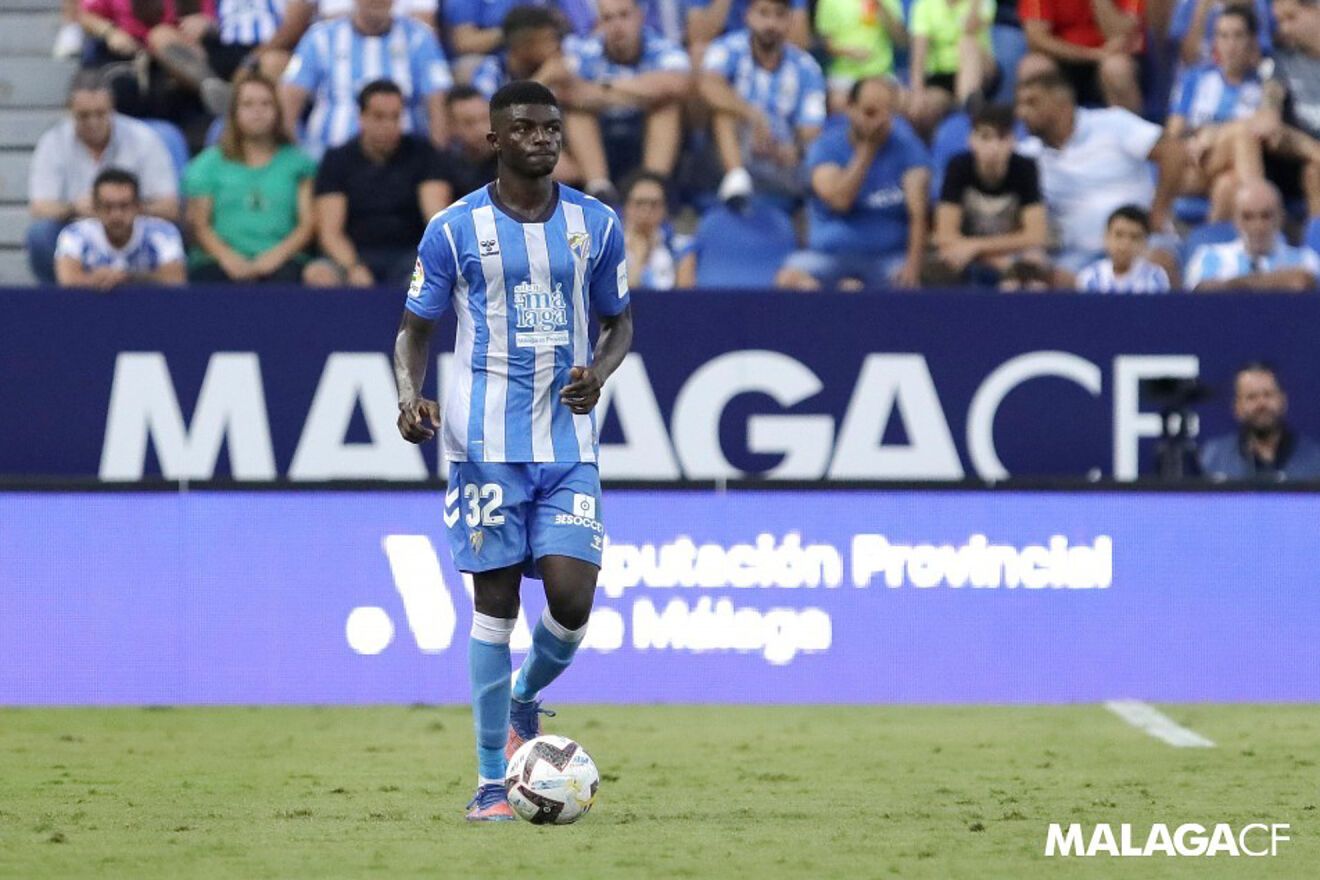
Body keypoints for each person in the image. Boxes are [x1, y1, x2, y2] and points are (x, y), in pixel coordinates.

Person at [392, 80, 633, 823]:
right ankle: (492, 783)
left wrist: (600, 368)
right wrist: (410, 394)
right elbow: (414, 329)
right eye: (524, 128)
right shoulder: (454, 229)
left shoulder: (596, 224)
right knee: (494, 604)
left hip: (566, 442)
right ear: (494, 140)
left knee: (571, 598)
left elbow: (619, 322)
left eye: (552, 128)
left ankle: (526, 694)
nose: (542, 138)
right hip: (482, 444)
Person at [1014, 61, 1181, 278]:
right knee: (1046, 279)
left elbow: (1174, 152)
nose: (1021, 112)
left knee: (1158, 266)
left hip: (1139, 240)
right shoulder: (1027, 155)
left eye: (1032, 103)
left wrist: (1159, 210)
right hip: (1078, 254)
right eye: (1020, 104)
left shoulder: (1112, 123)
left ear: (1061, 102)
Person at [775, 76, 930, 290]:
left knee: (904, 287)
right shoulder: (826, 147)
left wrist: (912, 267)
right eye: (870, 113)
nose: (880, 121)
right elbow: (840, 200)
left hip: (887, 258)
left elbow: (918, 212)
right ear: (850, 108)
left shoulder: (909, 148)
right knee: (789, 280)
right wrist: (867, 151)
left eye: (888, 113)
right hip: (829, 256)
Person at [26, 71, 180, 285]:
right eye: (84, 115)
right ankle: (57, 301)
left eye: (100, 114)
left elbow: (170, 207)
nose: (93, 122)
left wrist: (122, 209)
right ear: (69, 111)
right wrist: (73, 209)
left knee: (169, 233)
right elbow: (39, 208)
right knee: (40, 234)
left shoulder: (144, 139)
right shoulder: (52, 143)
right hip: (77, 230)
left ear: (113, 108)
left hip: (134, 229)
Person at [304, 80, 453, 288]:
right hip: (354, 253)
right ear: (362, 117)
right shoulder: (337, 159)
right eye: (379, 117)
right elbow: (330, 233)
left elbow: (436, 219)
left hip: (409, 254)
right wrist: (353, 267)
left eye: (395, 117)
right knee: (318, 274)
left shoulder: (423, 154)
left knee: (432, 274)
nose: (388, 125)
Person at [470, 6, 617, 201]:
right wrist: (542, 79)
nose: (556, 45)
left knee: (578, 112)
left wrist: (572, 85)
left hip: (569, 144)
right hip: (511, 151)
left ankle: (599, 188)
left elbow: (598, 99)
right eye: (547, 39)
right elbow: (491, 123)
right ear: (523, 46)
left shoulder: (564, 64)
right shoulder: (491, 71)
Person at [184, 71, 317, 282]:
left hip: (284, 262)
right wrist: (228, 258)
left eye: (266, 104)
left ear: (278, 111)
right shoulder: (207, 164)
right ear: (234, 112)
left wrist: (275, 257)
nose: (258, 112)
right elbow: (200, 225)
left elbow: (307, 224)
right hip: (219, 262)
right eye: (248, 104)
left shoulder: (299, 164)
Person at [280, 0, 452, 158]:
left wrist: (434, 161)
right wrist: (300, 156)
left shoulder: (419, 37)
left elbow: (439, 102)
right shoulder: (320, 37)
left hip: (404, 162)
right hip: (327, 157)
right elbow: (289, 99)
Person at [700, 0, 827, 206]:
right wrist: (753, 115)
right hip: (733, 147)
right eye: (763, 14)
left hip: (780, 155)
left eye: (779, 15)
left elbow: (812, 126)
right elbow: (708, 86)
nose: (771, 24)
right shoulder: (727, 48)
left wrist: (794, 148)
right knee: (723, 111)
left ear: (790, 20)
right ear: (748, 16)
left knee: (817, 153)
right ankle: (736, 179)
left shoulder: (806, 67)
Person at [566, 0, 691, 181]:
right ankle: (600, 189)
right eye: (608, 18)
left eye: (624, 15)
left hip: (644, 134)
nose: (617, 26)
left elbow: (677, 84)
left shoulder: (663, 47)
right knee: (577, 111)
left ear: (640, 17)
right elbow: (567, 91)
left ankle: (653, 186)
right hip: (603, 137)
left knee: (666, 106)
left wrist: (604, 87)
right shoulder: (583, 50)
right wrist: (640, 93)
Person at [1217, 0, 1320, 219]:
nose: (1284, 29)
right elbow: (1269, 109)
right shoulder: (1281, 60)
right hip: (1295, 164)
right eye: (1280, 21)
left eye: (1291, 18)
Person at [933, 101, 1047, 284]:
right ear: (971, 140)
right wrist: (993, 260)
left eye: (1001, 137)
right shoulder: (958, 167)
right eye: (985, 137)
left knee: (1034, 263)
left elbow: (1036, 235)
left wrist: (975, 246)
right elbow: (945, 235)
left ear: (1013, 141)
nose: (993, 147)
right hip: (966, 253)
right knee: (942, 264)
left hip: (1007, 251)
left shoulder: (1025, 168)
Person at [1164, 7, 1264, 210]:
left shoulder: (1264, 85)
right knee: (1242, 134)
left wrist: (1216, 133)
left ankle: (1210, 238)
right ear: (1215, 41)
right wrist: (1198, 137)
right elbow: (1172, 136)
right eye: (1223, 36)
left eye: (1238, 36)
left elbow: (1267, 129)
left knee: (1227, 184)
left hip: (1235, 168)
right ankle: (1262, 209)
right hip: (1192, 165)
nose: (1230, 45)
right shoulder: (1194, 78)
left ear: (1252, 41)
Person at [78, 0, 234, 117]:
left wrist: (204, 23)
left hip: (186, 51)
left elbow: (215, 19)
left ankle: (215, 91)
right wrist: (110, 32)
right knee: (159, 35)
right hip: (134, 57)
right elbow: (86, 16)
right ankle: (211, 87)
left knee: (161, 36)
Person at [53, 169, 186, 289]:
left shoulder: (163, 233)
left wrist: (128, 277)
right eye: (107, 207)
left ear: (138, 207)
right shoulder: (75, 235)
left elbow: (176, 279)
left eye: (124, 206)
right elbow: (67, 280)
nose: (116, 215)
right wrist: (93, 280)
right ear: (95, 208)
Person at [1185, 179, 1320, 290]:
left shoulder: (1307, 260)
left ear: (1280, 218)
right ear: (1235, 220)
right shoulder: (1208, 257)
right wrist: (1276, 282)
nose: (1258, 226)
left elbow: (1302, 282)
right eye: (1248, 217)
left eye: (1266, 216)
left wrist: (1234, 286)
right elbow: (1201, 293)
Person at [1199, 362, 1320, 480]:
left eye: (1268, 395)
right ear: (1237, 407)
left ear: (1283, 401)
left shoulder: (1315, 460)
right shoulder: (1213, 459)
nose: (1261, 404)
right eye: (1251, 397)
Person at [1018, 0, 1144, 111]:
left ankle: (1130, 135)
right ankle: (1046, 136)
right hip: (1063, 59)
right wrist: (1089, 55)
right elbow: (1036, 38)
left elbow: (1125, 33)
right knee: (1033, 67)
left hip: (1111, 57)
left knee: (1116, 69)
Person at [908, 0, 997, 136]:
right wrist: (917, 91)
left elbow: (971, 27)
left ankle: (969, 108)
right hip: (943, 77)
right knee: (923, 108)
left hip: (980, 69)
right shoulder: (924, 5)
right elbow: (919, 53)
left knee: (966, 43)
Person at [813, 0, 907, 110]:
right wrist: (849, 52)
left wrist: (882, 8)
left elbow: (901, 41)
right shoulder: (829, 2)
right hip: (844, 75)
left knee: (903, 101)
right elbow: (825, 45)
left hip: (882, 74)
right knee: (838, 103)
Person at [1075, 205, 1171, 292]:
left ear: (1145, 243)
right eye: (1119, 235)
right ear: (1105, 237)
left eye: (1134, 237)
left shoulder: (1155, 277)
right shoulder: (1089, 277)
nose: (1125, 244)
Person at [622, 171, 686, 289]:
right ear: (627, 207)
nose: (646, 210)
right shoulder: (610, 248)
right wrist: (639, 258)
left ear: (664, 209)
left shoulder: (679, 247)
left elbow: (685, 299)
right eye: (639, 203)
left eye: (654, 204)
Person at [440, 86, 499, 196]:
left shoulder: (511, 159)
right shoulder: (444, 166)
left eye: (484, 118)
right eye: (469, 122)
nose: (481, 130)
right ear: (452, 126)